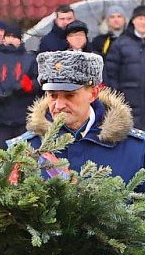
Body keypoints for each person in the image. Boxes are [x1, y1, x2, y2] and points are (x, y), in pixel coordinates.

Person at [12, 50, 145, 187]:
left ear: (93, 94)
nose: (59, 106)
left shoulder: (136, 149)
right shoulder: (25, 149)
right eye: (53, 95)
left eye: (69, 96)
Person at [0, 24, 38, 148]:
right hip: (1, 115)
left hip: (23, 115)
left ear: (20, 40)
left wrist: (27, 86)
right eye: (9, 36)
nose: (11, 39)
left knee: (22, 155)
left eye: (15, 37)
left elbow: (39, 81)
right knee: (1, 153)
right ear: (4, 39)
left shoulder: (30, 59)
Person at [104, 5, 145, 129]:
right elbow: (111, 75)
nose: (143, 22)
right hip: (129, 101)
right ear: (133, 21)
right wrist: (119, 99)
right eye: (140, 18)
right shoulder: (120, 44)